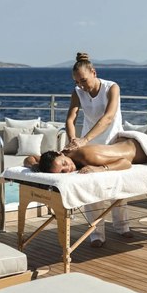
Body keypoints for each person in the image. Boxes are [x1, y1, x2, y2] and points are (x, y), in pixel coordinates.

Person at [61, 52, 128, 247]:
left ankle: (122, 227)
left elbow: (108, 117)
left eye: (83, 80)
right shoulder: (78, 92)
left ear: (93, 72)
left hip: (112, 142)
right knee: (92, 188)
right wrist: (74, 139)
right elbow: (70, 119)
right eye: (77, 82)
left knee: (118, 186)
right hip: (88, 146)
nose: (81, 85)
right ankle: (96, 234)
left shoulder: (111, 88)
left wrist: (84, 139)